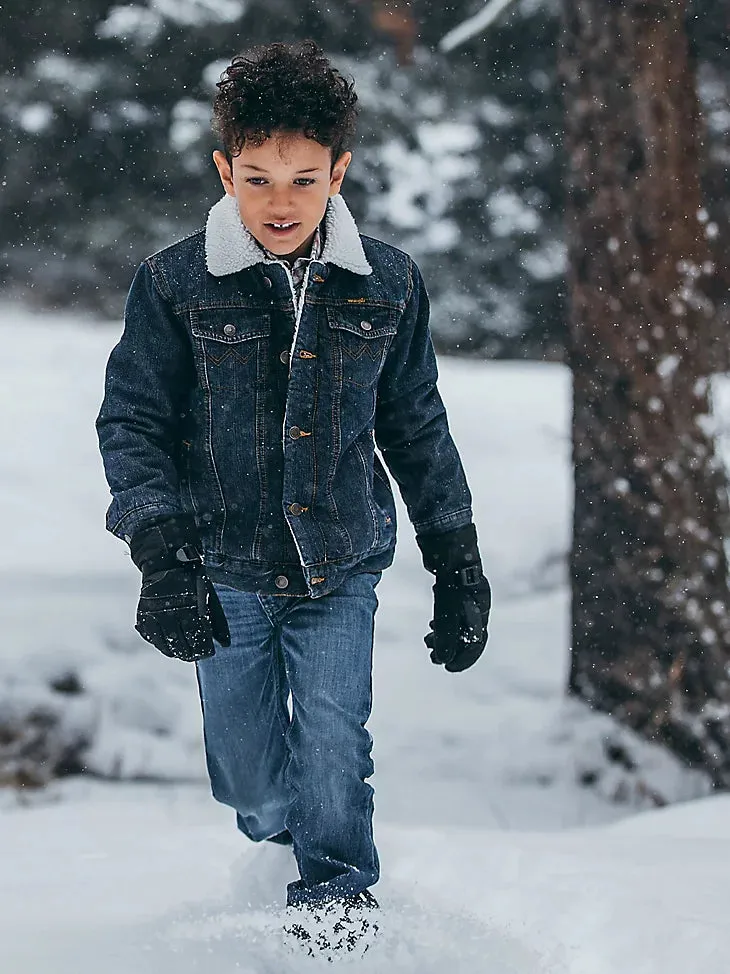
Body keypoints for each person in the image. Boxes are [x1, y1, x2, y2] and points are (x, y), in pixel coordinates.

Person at [96, 38, 491, 957]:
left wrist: (457, 560)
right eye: (260, 178)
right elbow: (133, 425)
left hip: (339, 559)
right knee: (247, 780)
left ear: (340, 173)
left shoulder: (386, 283)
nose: (282, 203)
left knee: (331, 741)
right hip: (224, 564)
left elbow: (416, 425)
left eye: (305, 180)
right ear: (224, 170)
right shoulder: (174, 282)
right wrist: (161, 553)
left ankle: (337, 913)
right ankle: (278, 845)